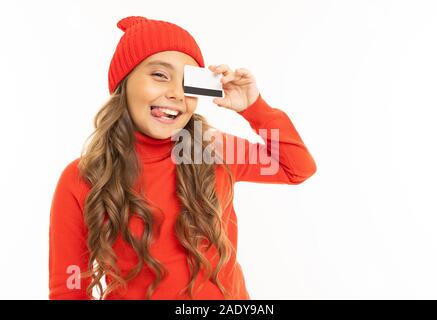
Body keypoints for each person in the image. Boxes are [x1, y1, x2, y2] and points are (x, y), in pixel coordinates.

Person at [49, 16, 317, 300]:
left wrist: (254, 108)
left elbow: (296, 167)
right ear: (123, 84)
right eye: (160, 75)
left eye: (189, 82)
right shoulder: (82, 178)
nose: (177, 93)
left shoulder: (215, 151)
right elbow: (69, 287)